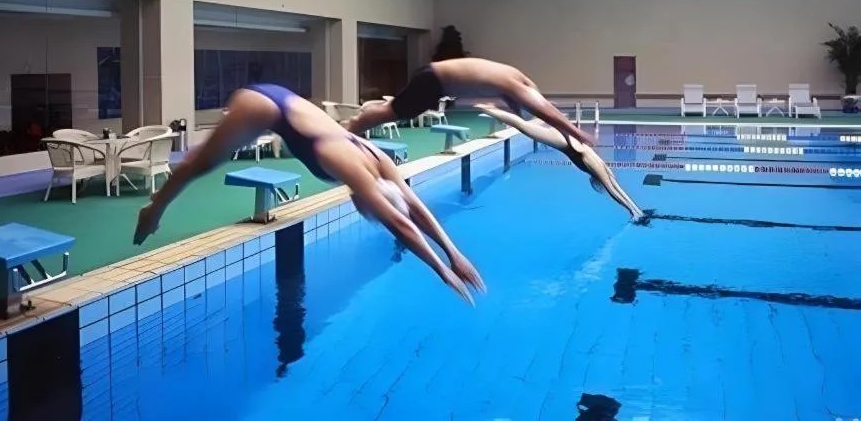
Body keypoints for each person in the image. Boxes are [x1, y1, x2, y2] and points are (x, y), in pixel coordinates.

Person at [133, 83, 486, 304]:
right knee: (202, 163)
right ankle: (154, 210)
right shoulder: (351, 168)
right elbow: (402, 224)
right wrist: (442, 270)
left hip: (284, 100)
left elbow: (414, 207)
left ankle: (156, 207)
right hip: (262, 105)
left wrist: (455, 253)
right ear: (370, 201)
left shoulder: (380, 163)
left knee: (204, 161)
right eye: (367, 210)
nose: (359, 207)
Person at [344, 57, 594, 148]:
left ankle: (354, 125)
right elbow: (546, 111)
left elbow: (519, 103)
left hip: (435, 78)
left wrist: (517, 116)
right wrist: (574, 132)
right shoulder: (515, 86)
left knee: (397, 111)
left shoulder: (514, 77)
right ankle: (350, 129)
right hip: (434, 81)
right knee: (393, 112)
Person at [473, 102, 644, 221]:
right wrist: (634, 210)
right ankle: (490, 109)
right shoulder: (596, 168)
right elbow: (613, 189)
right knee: (522, 126)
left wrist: (634, 209)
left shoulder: (597, 166)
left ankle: (491, 109)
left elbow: (614, 187)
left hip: (564, 140)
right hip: (563, 141)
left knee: (522, 125)